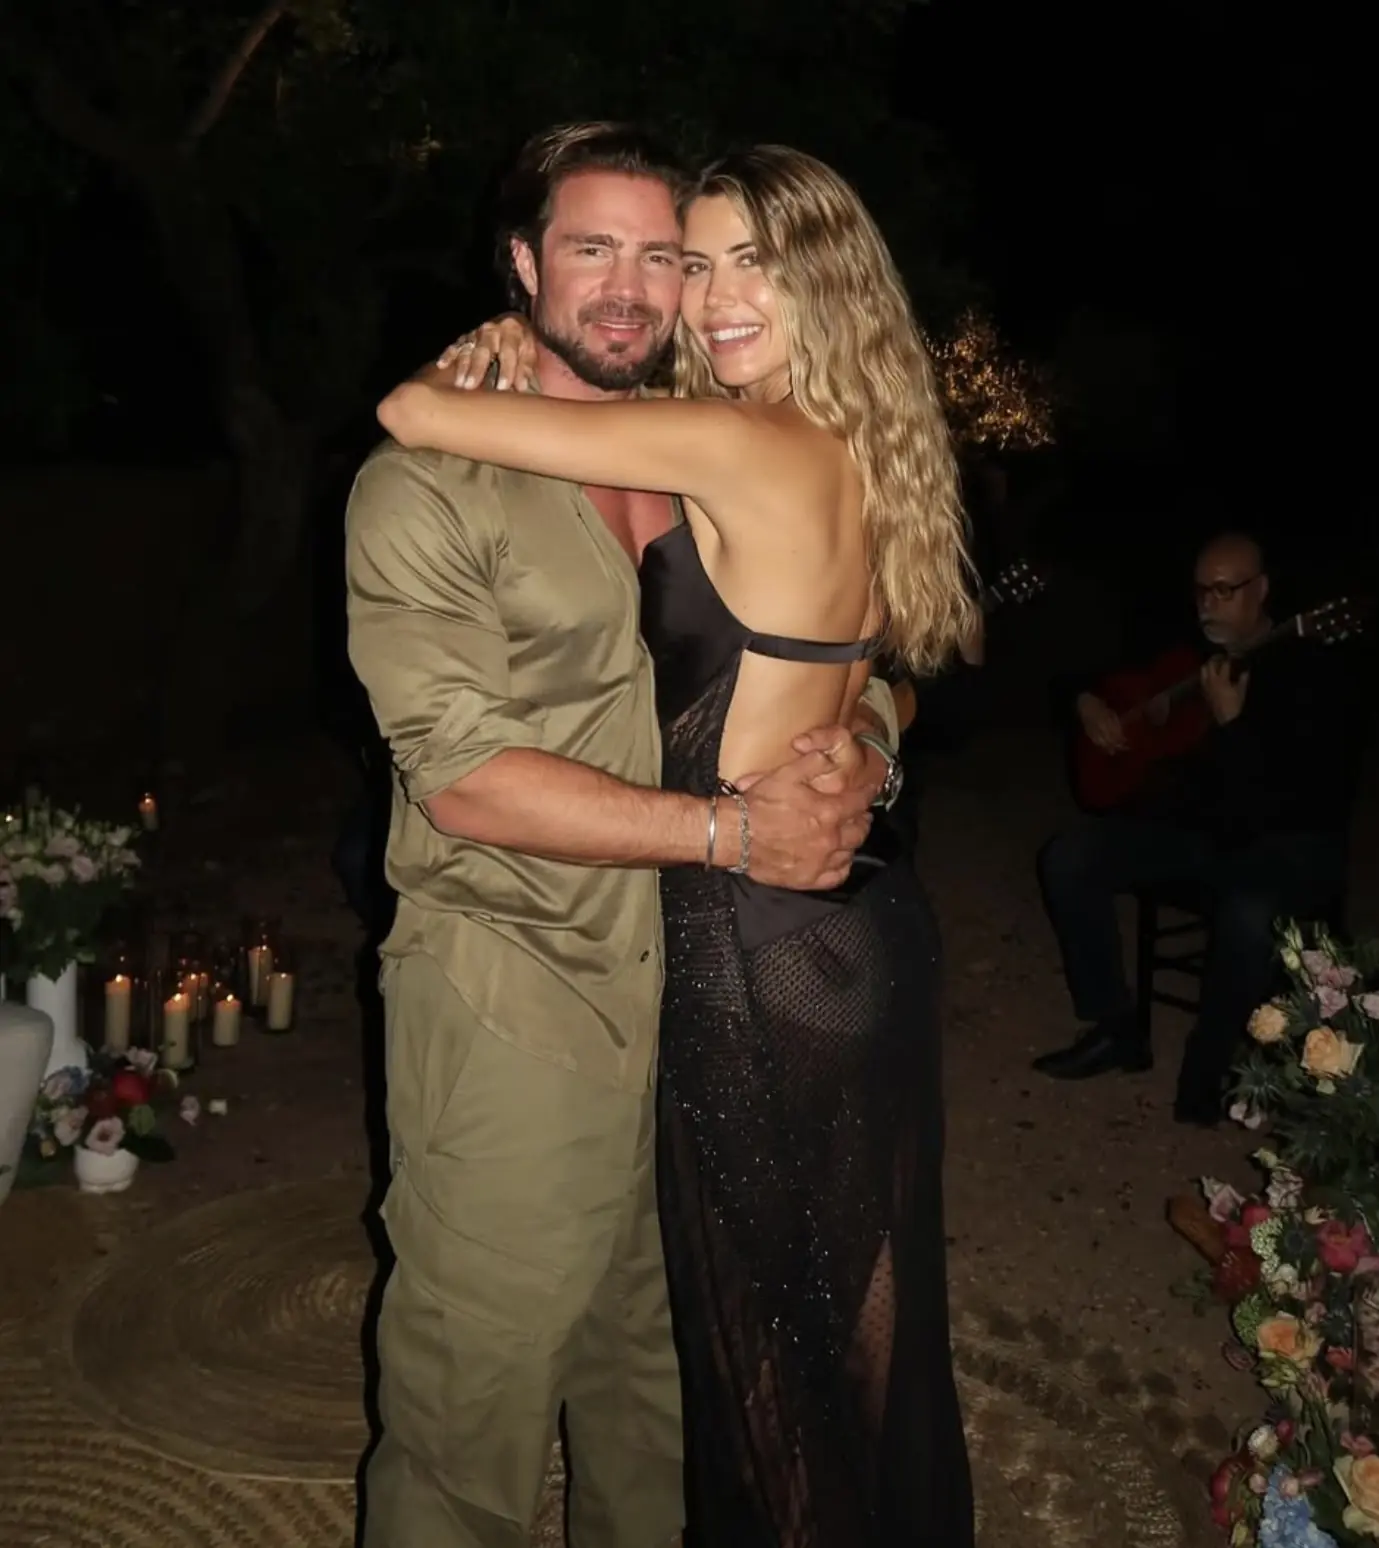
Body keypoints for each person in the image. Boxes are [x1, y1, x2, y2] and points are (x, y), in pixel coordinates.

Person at [384, 140, 977, 1547]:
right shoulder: (854, 445)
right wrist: (870, 745)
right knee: (863, 1346)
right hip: (853, 932)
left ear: (824, 283)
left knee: (766, 1380)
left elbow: (409, 412)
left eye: (743, 265)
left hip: (750, 947)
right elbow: (880, 678)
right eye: (691, 263)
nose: (707, 299)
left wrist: (479, 350)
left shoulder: (726, 442)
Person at [1032, 531, 1363, 1125]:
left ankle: (1206, 1073)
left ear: (1262, 590)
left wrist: (1232, 725)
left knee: (1246, 910)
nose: (1208, 604)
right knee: (1070, 856)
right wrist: (1084, 701)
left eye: (1224, 591)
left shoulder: (1311, 669)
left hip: (1286, 843)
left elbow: (1291, 803)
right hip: (1207, 836)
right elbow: (1078, 673)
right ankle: (1116, 1029)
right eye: (1201, 591)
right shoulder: (1190, 650)